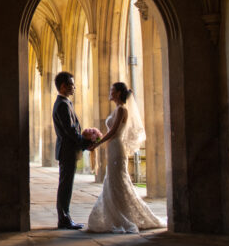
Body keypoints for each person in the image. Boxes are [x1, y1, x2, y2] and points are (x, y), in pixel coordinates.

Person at [86, 82, 164, 233]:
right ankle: (116, 212)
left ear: (119, 93)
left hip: (117, 147)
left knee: (118, 181)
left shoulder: (122, 110)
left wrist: (97, 143)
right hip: (113, 148)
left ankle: (122, 216)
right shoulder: (117, 109)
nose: (110, 92)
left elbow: (114, 131)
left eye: (112, 90)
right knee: (114, 181)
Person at [52, 71, 92, 230]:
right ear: (63, 86)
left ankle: (65, 217)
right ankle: (64, 218)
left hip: (68, 150)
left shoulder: (65, 103)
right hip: (67, 150)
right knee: (65, 185)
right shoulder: (62, 104)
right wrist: (85, 142)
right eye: (71, 84)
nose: (74, 87)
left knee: (66, 184)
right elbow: (70, 130)